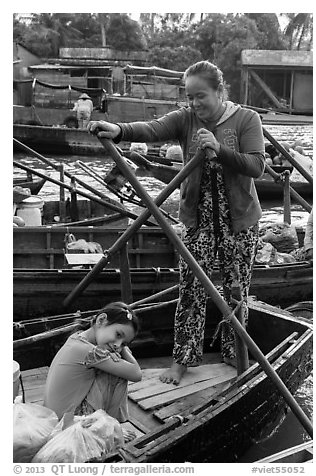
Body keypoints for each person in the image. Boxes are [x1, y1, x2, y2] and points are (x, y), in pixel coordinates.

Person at [88, 60, 265, 385]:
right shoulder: (187, 119)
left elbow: (257, 166)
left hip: (238, 224)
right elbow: (153, 128)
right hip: (197, 222)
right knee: (191, 292)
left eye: (202, 96)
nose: (195, 103)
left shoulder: (246, 119)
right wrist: (119, 130)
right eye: (190, 97)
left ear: (220, 91)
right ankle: (182, 361)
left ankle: (234, 355)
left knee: (236, 294)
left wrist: (219, 149)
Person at [44, 302, 141, 440]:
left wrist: (120, 347)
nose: (117, 345)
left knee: (116, 362)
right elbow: (136, 373)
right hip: (65, 426)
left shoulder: (78, 337)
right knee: (118, 373)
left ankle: (107, 425)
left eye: (123, 343)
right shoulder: (89, 352)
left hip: (55, 418)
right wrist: (123, 350)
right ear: (101, 320)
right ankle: (109, 428)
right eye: (118, 334)